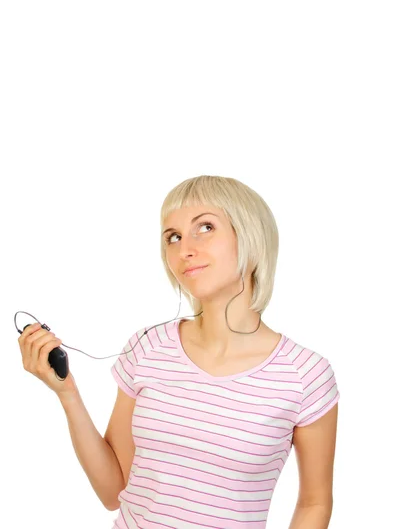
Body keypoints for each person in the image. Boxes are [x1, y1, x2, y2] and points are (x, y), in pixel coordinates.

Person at [18, 174, 339, 529]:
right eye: (173, 236)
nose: (184, 248)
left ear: (250, 236)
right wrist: (68, 393)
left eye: (205, 227)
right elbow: (113, 490)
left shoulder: (305, 374)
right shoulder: (148, 346)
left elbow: (314, 503)